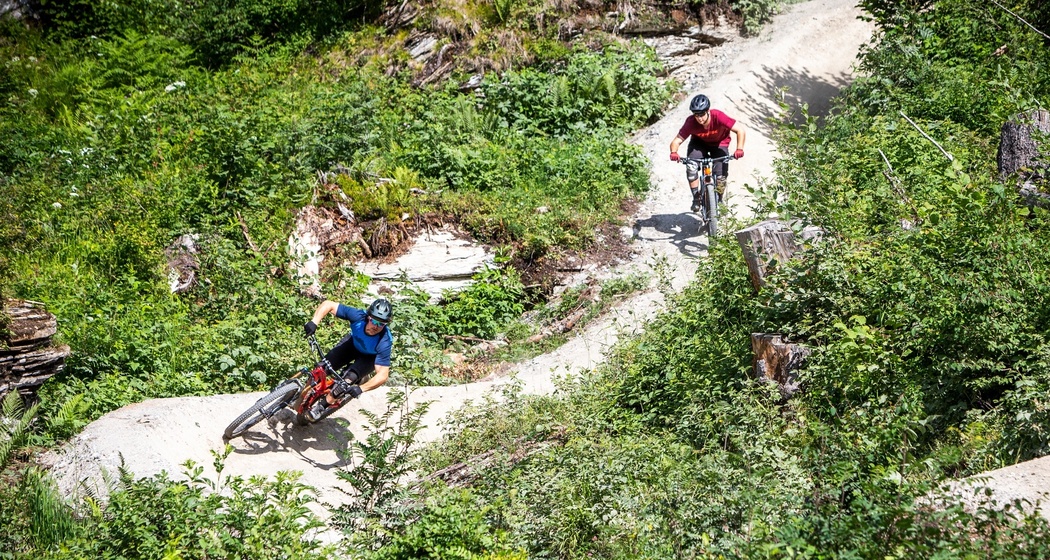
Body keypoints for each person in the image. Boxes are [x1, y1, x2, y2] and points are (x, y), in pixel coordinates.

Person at [302, 298, 393, 421]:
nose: (376, 326)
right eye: (374, 321)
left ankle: (321, 407)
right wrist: (314, 322)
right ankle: (301, 396)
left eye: (381, 324)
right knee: (321, 369)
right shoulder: (358, 316)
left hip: (368, 358)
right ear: (368, 317)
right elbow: (329, 304)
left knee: (345, 382)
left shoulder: (384, 341)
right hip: (352, 345)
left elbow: (383, 374)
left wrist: (361, 389)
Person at [669, 94, 747, 212]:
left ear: (708, 111)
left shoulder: (718, 116)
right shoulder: (690, 122)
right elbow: (676, 141)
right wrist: (674, 152)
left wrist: (739, 149)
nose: (699, 118)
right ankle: (696, 198)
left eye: (702, 114)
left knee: (721, 176)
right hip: (699, 144)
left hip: (720, 143)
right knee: (691, 166)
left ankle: (719, 199)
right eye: (696, 115)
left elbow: (740, 130)